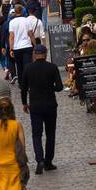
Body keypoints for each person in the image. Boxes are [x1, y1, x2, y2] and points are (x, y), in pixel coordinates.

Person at [19, 43, 63, 173]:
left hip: (35, 106)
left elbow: (23, 88)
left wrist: (24, 103)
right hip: (50, 105)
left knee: (36, 134)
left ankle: (40, 160)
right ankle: (48, 162)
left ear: (34, 54)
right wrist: (50, 87)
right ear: (46, 54)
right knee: (50, 134)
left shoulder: (28, 68)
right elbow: (60, 87)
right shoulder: (52, 67)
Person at [9, 7, 41, 86]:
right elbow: (31, 34)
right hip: (27, 46)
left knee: (19, 66)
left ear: (15, 12)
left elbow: (11, 36)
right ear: (23, 12)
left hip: (17, 47)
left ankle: (21, 83)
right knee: (27, 65)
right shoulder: (27, 20)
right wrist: (35, 45)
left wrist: (11, 49)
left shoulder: (12, 22)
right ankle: (29, 82)